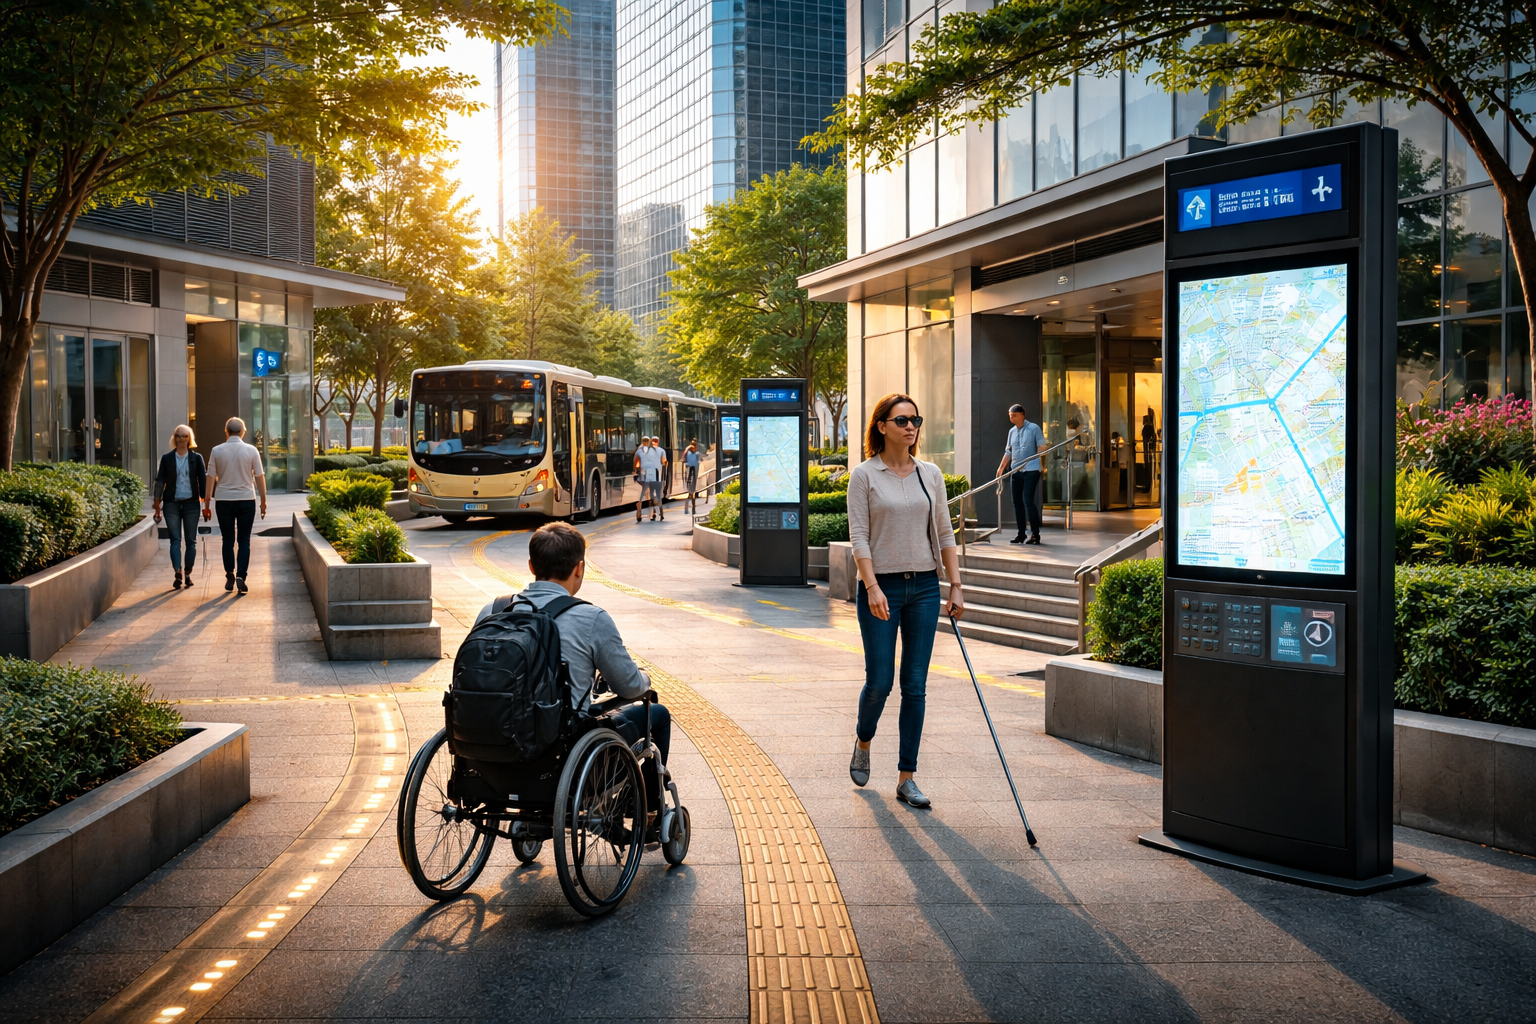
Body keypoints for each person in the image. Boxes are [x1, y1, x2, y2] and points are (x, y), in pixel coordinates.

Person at [475, 522, 670, 816]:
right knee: (658, 714)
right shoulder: (590, 618)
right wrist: (645, 679)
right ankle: (646, 810)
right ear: (579, 568)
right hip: (560, 752)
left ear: (531, 566)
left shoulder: (493, 611)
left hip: (487, 745)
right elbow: (629, 687)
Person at [846, 393, 964, 809]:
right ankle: (864, 740)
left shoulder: (930, 474)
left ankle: (906, 777)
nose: (910, 426)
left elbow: (945, 533)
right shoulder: (864, 475)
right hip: (883, 589)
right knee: (879, 681)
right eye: (901, 420)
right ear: (881, 426)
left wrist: (956, 585)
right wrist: (872, 585)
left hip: (926, 589)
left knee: (915, 685)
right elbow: (859, 536)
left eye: (915, 419)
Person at [204, 416, 267, 595]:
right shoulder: (252, 450)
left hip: (223, 500)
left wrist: (207, 502)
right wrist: (263, 501)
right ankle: (241, 575)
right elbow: (259, 476)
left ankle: (230, 573)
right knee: (244, 540)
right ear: (243, 431)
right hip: (247, 499)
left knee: (227, 539)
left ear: (226, 431)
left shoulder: (216, 451)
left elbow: (210, 477)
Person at [152, 425, 206, 590]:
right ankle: (178, 571)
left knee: (191, 541)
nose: (181, 439)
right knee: (175, 540)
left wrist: (206, 502)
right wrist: (157, 501)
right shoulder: (167, 458)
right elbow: (160, 480)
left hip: (191, 504)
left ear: (190, 438)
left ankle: (188, 572)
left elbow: (203, 479)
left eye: (185, 436)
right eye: (178, 436)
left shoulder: (196, 458)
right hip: (171, 503)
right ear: (174, 438)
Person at [997, 404, 1047, 545]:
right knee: (1017, 502)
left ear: (1022, 415)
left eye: (1014, 414)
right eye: (1010, 414)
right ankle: (1021, 534)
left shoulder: (1034, 428)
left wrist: (1039, 455)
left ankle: (1035, 534)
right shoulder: (1011, 432)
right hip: (1016, 470)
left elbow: (1042, 446)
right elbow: (1009, 452)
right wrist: (1001, 468)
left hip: (1031, 469)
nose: (1011, 417)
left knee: (1028, 501)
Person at [635, 436, 667, 522]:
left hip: (644, 476)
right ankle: (659, 512)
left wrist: (636, 470)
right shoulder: (655, 450)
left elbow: (636, 462)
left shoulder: (640, 450)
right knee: (655, 493)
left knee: (645, 491)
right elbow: (661, 462)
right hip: (653, 475)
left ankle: (641, 507)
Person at [682, 440, 701, 516]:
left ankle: (692, 509)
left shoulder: (697, 453)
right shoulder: (688, 452)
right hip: (689, 477)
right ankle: (690, 508)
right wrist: (687, 448)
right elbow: (683, 458)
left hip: (694, 476)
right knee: (690, 492)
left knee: (692, 493)